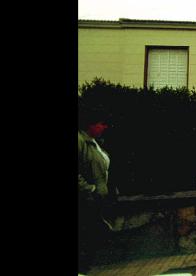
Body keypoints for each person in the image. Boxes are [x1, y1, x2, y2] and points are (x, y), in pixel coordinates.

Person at [78, 113, 115, 275]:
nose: (104, 127)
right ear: (90, 125)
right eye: (101, 123)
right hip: (86, 198)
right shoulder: (80, 141)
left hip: (97, 197)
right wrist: (89, 189)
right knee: (89, 234)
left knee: (93, 235)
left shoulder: (94, 142)